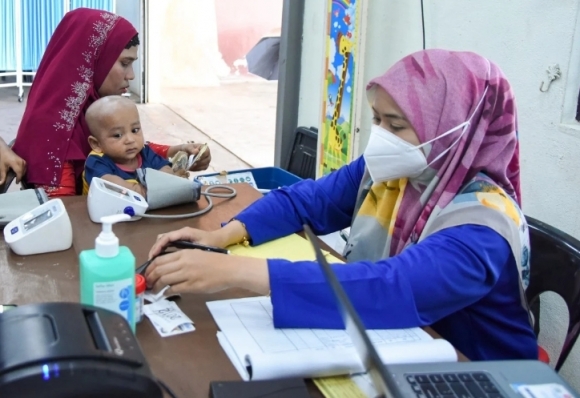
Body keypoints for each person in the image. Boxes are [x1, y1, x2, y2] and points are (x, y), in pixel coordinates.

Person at [145, 49, 538, 361]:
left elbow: (391, 289)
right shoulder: (398, 171)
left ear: (454, 129)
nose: (381, 136)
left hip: (475, 369)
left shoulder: (481, 227)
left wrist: (232, 270)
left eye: (396, 125)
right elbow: (309, 200)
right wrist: (222, 235)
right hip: (406, 345)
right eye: (377, 119)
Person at [0, 8, 210, 196]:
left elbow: (122, 144)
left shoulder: (93, 107)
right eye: (124, 64)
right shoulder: (53, 129)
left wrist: (179, 151)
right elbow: (66, 210)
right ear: (91, 60)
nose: (131, 76)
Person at [82, 96, 188, 196]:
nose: (130, 140)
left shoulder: (144, 152)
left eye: (135, 130)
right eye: (118, 135)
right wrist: (159, 187)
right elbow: (114, 187)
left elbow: (164, 168)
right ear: (96, 144)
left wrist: (171, 178)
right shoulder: (96, 162)